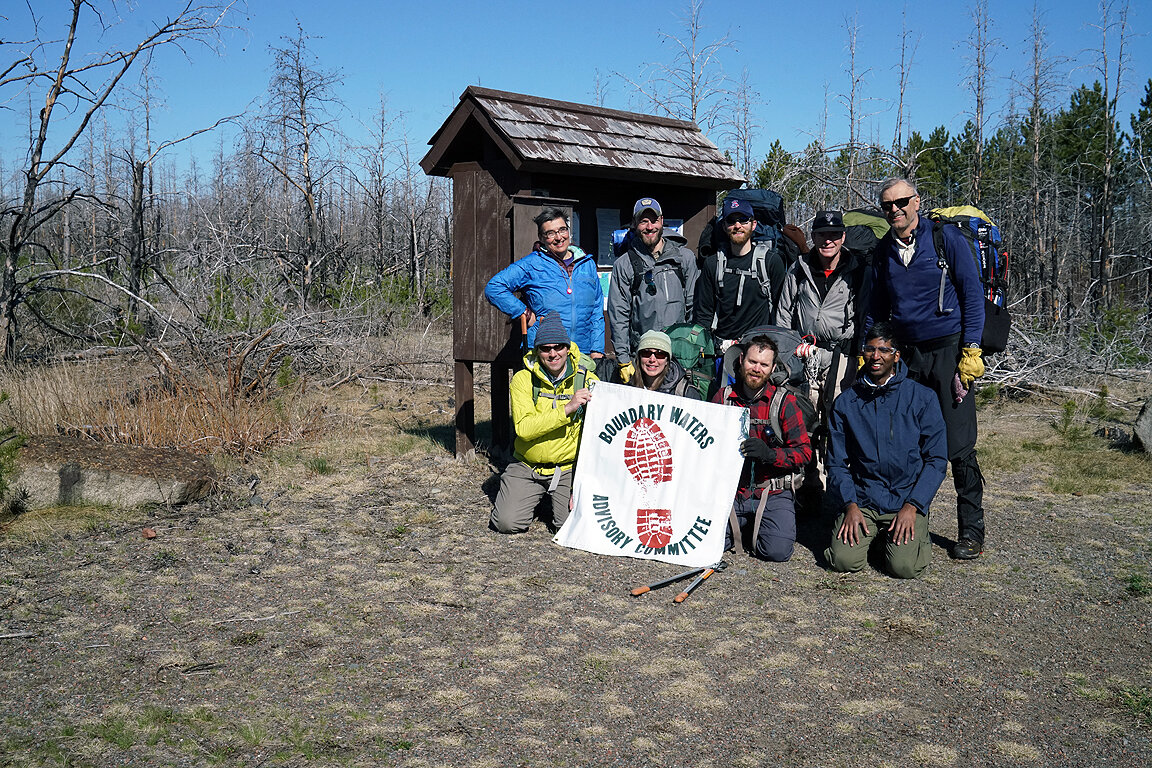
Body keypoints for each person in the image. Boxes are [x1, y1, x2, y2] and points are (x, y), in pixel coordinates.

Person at [864, 178, 987, 560]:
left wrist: (971, 350)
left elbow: (972, 294)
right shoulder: (884, 250)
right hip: (906, 355)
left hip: (949, 351)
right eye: (887, 205)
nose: (895, 210)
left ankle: (971, 530)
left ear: (917, 202)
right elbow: (875, 308)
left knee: (958, 444)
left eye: (901, 202)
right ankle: (910, 525)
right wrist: (866, 351)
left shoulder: (944, 240)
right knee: (909, 442)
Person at [824, 322, 947, 579]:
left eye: (884, 350)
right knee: (842, 561)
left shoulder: (921, 398)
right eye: (869, 349)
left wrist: (913, 506)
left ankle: (904, 538)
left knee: (904, 568)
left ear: (896, 355)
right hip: (864, 498)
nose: (876, 356)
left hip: (905, 497)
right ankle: (874, 535)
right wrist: (850, 505)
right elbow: (836, 463)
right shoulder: (846, 402)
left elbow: (936, 460)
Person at [776, 210, 871, 503]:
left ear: (843, 237)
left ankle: (841, 491)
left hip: (842, 358)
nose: (828, 241)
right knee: (804, 419)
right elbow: (782, 316)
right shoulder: (799, 269)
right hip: (804, 354)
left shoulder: (857, 271)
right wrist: (787, 352)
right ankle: (809, 487)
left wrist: (860, 357)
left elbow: (865, 316)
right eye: (821, 235)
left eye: (834, 235)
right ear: (813, 237)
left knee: (838, 422)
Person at [490, 313, 598, 534]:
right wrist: (567, 408)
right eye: (545, 348)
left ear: (567, 348)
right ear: (537, 351)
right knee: (506, 523)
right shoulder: (522, 380)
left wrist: (584, 479)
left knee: (571, 529)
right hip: (528, 465)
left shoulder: (588, 380)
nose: (553, 354)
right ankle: (531, 494)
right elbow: (524, 429)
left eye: (558, 347)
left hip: (567, 468)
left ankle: (555, 498)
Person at [712, 334, 812, 560]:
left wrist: (769, 454)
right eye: (752, 362)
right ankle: (746, 525)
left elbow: (804, 453)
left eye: (764, 364)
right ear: (740, 361)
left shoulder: (784, 402)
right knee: (710, 543)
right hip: (731, 491)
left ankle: (761, 525)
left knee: (777, 552)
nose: (757, 369)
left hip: (772, 490)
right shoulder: (723, 397)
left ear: (772, 367)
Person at [485, 206, 606, 358]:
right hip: (545, 350)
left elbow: (596, 310)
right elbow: (494, 287)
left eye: (562, 229)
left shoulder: (586, 263)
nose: (558, 237)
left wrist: (597, 349)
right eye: (550, 233)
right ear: (541, 238)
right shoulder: (532, 264)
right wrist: (524, 313)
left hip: (582, 352)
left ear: (569, 231)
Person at [607, 198, 698, 383]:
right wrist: (624, 360)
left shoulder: (684, 258)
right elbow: (619, 315)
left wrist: (691, 349)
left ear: (662, 221)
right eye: (643, 221)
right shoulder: (624, 265)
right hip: (643, 357)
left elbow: (693, 307)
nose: (650, 227)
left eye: (654, 220)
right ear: (635, 224)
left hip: (678, 356)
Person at [694, 198, 787, 348]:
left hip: (760, 350)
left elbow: (782, 311)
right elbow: (704, 313)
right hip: (722, 348)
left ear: (753, 224)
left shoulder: (771, 262)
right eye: (731, 220)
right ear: (724, 226)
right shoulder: (713, 264)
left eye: (743, 220)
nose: (737, 226)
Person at [628, 330, 701, 400]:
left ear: (667, 360)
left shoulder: (686, 393)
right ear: (639, 357)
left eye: (660, 354)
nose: (652, 359)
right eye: (646, 353)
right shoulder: (625, 388)